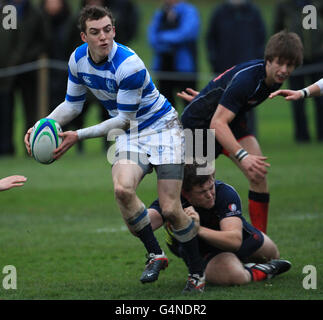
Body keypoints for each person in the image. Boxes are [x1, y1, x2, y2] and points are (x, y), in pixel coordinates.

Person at [24, 5, 205, 293]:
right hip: (130, 135)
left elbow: (123, 118)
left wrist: (77, 136)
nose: (103, 37)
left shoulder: (128, 64)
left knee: (171, 208)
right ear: (84, 36)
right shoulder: (77, 60)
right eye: (95, 32)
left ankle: (197, 272)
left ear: (114, 31)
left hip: (163, 129)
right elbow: (73, 104)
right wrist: (42, 123)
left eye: (108, 30)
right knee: (122, 191)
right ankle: (155, 254)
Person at [178, 31, 304, 234]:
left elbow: (225, 89)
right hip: (199, 125)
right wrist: (242, 155)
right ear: (268, 60)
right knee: (201, 190)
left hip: (229, 121)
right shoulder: (250, 79)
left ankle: (260, 242)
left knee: (258, 174)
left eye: (290, 65)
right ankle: (189, 242)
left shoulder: (274, 79)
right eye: (280, 63)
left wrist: (206, 98)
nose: (284, 70)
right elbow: (216, 123)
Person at [145, 161, 291, 286]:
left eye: (211, 187)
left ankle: (249, 262)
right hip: (203, 250)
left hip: (229, 236)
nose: (210, 195)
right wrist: (126, 198)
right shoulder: (172, 201)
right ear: (186, 194)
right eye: (202, 192)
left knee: (273, 255)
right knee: (236, 276)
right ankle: (260, 271)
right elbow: (143, 224)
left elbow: (234, 241)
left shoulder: (224, 192)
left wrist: (195, 229)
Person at [206, 0, 267, 137]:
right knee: (221, 104)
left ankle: (245, 135)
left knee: (247, 103)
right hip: (224, 70)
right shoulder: (219, 13)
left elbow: (261, 39)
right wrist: (215, 63)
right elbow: (211, 39)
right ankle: (222, 137)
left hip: (249, 69)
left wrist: (257, 63)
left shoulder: (253, 12)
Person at [0, 0, 47, 156]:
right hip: (6, 70)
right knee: (6, 111)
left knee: (32, 112)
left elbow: (42, 39)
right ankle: (6, 148)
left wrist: (21, 59)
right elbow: (8, 40)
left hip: (29, 70)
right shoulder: (7, 10)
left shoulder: (33, 12)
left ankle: (32, 148)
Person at [273, 0, 323, 142]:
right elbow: (277, 30)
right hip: (294, 58)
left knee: (320, 100)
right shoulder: (285, 5)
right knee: (296, 100)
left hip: (318, 56)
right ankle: (302, 136)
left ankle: (321, 135)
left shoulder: (318, 3)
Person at [148, 0, 200, 111]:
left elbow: (186, 34)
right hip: (164, 66)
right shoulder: (160, 12)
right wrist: (168, 42)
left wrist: (163, 37)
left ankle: (190, 128)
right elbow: (152, 37)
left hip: (185, 69)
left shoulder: (189, 11)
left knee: (190, 106)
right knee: (166, 106)